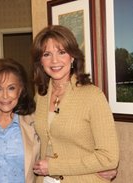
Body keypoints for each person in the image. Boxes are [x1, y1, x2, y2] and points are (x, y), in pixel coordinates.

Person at [31, 25, 119, 183]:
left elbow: (109, 157)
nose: (54, 60)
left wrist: (55, 167)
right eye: (47, 54)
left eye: (61, 52)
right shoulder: (40, 96)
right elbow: (19, 116)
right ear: (40, 62)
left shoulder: (93, 96)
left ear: (72, 57)